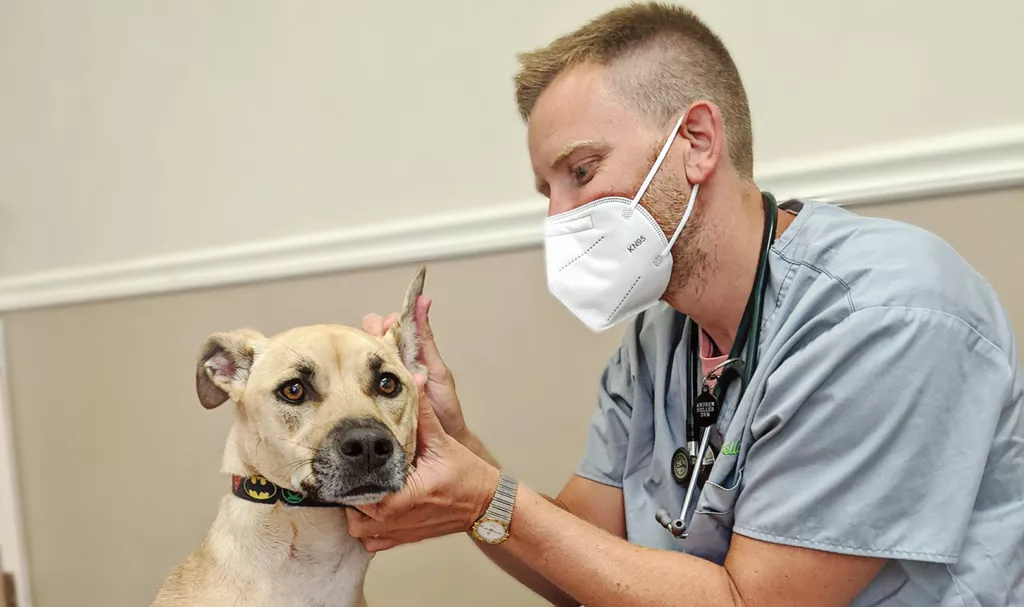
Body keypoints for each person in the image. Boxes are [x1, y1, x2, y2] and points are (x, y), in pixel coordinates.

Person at [346, 3, 1024, 605]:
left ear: (697, 142)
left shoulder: (885, 314)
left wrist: (485, 497)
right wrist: (453, 443)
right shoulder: (656, 347)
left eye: (580, 172)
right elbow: (576, 564)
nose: (558, 218)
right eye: (546, 192)